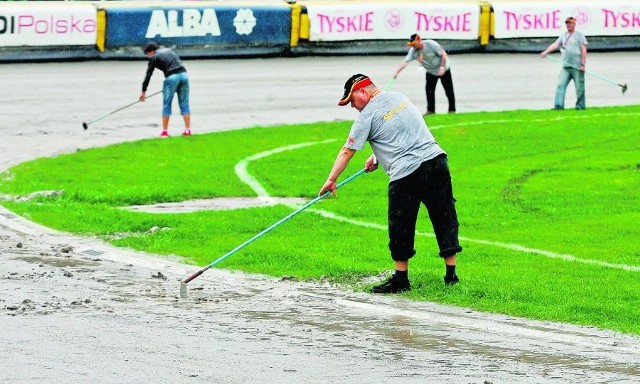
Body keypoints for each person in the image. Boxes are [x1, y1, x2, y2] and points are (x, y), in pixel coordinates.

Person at [318, 74, 462, 293]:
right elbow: (403, 132)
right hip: (437, 162)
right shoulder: (399, 98)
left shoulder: (367, 115)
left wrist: (331, 180)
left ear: (363, 93)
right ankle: (451, 276)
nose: (353, 107)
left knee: (401, 224)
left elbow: (348, 150)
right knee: (444, 216)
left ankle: (401, 279)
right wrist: (377, 157)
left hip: (407, 174)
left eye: (352, 101)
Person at [392, 34, 456, 115]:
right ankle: (431, 110)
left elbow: (443, 54)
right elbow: (406, 62)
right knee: (429, 90)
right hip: (431, 72)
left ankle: (452, 110)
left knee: (448, 90)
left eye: (414, 44)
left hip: (443, 69)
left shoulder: (431, 44)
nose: (413, 46)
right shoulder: (413, 51)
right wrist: (396, 72)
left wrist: (442, 67)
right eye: (412, 45)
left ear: (419, 40)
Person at [140, 42, 192, 137]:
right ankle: (188, 129)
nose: (148, 56)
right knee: (184, 103)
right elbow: (180, 65)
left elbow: (148, 75)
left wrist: (143, 92)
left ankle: (165, 131)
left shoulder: (154, 57)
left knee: (167, 104)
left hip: (171, 78)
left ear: (151, 51)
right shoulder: (169, 50)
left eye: (147, 54)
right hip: (184, 76)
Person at [540, 17, 588, 110]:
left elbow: (584, 50)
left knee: (579, 88)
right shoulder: (564, 35)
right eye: (567, 23)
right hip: (566, 66)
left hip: (577, 66)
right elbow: (556, 44)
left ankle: (580, 106)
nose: (568, 25)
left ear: (574, 24)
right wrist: (546, 52)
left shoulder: (579, 35)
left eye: (570, 23)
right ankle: (558, 106)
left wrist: (583, 64)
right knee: (560, 85)